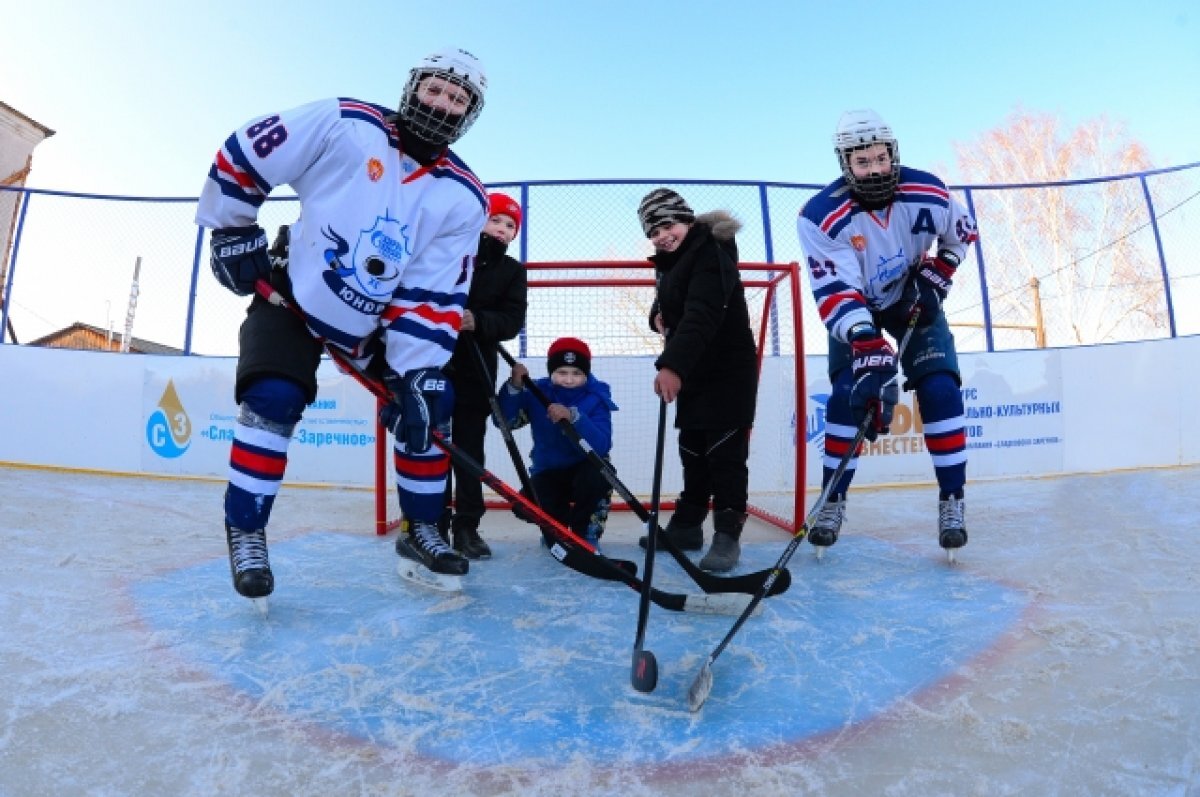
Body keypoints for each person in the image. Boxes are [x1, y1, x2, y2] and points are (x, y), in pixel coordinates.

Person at [194, 47, 490, 601]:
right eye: (435, 89)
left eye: (457, 99)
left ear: (467, 116)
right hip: (293, 295)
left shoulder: (464, 197)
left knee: (431, 404)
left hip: (370, 324)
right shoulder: (346, 123)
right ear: (412, 87)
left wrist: (415, 371)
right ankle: (247, 528)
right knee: (274, 395)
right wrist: (230, 226)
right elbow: (248, 151)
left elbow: (431, 292)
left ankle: (421, 528)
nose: (442, 104)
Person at [796, 109, 978, 558]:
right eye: (863, 162)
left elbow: (962, 235)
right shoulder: (819, 216)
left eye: (880, 158)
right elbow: (835, 288)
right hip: (856, 306)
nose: (874, 169)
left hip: (912, 296)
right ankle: (832, 500)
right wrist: (865, 342)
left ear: (893, 154)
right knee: (847, 393)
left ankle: (952, 500)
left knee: (940, 389)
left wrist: (941, 272)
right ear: (845, 164)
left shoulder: (929, 191)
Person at [635, 188, 759, 573]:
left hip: (725, 371)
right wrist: (657, 313)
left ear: (687, 220)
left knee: (724, 456)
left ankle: (727, 535)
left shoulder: (711, 253)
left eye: (668, 225)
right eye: (652, 231)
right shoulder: (673, 261)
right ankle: (688, 527)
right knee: (692, 451)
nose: (661, 236)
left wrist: (671, 365)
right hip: (696, 371)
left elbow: (702, 313)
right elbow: (673, 301)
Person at [439, 192, 529, 559]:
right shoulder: (449, 252)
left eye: (510, 226)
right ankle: (428, 522)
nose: (503, 229)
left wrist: (478, 321)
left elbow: (511, 320)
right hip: (435, 363)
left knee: (468, 450)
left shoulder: (512, 272)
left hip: (476, 371)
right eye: (497, 220)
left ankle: (466, 527)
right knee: (430, 446)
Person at [496, 338, 617, 547]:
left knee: (599, 476)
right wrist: (514, 387)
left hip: (585, 470)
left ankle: (585, 532)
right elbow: (507, 423)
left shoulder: (597, 398)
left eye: (576, 373)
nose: (569, 380)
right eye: (562, 372)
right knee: (523, 505)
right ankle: (556, 527)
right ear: (551, 372)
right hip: (549, 471)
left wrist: (574, 418)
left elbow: (602, 445)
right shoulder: (537, 393)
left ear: (586, 374)